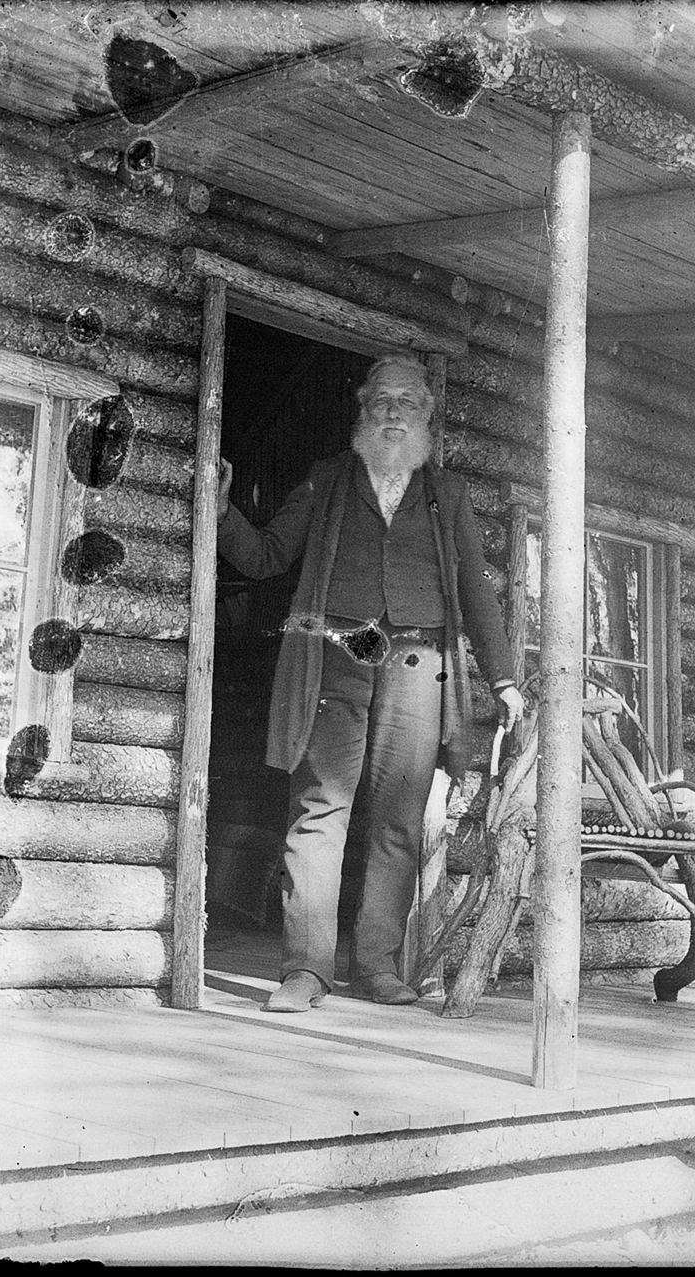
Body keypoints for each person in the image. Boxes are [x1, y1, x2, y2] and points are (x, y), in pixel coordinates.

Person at [216, 353, 524, 1012]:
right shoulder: (326, 480)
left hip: (420, 668)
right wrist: (220, 511)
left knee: (399, 819)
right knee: (320, 807)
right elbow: (267, 554)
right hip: (336, 657)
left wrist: (503, 678)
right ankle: (306, 970)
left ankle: (378, 967)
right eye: (382, 401)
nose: (393, 412)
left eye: (407, 403)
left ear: (426, 416)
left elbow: (476, 589)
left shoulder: (449, 493)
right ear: (363, 410)